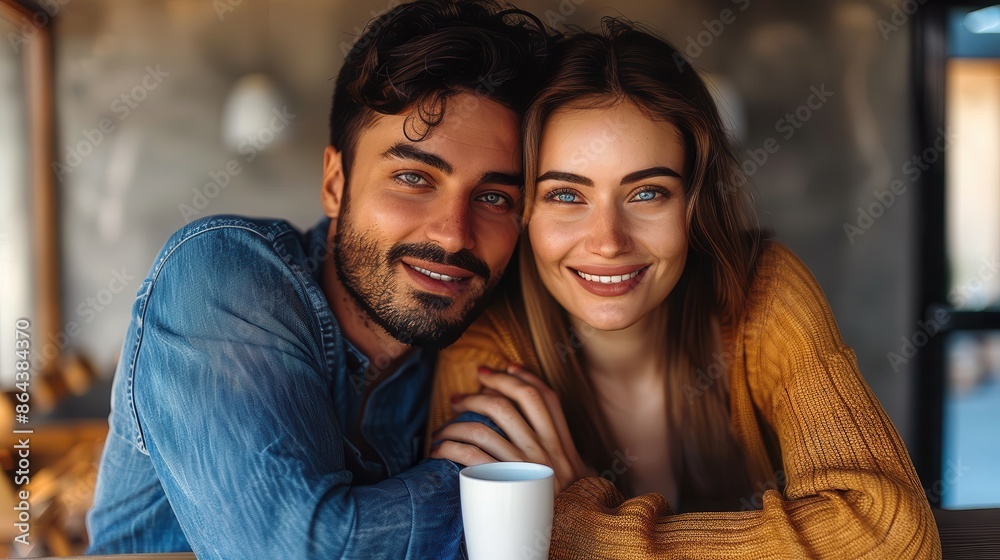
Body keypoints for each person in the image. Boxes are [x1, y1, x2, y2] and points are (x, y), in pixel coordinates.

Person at [429, 19, 942, 558]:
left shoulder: (764, 292)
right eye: (566, 195)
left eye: (648, 193)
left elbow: (891, 536)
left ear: (696, 204)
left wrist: (582, 523)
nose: (608, 242)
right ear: (524, 208)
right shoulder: (488, 340)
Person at [85, 1, 550, 557]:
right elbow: (302, 551)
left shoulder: (470, 341)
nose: (454, 235)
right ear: (335, 183)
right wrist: (484, 485)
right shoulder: (220, 276)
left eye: (495, 197)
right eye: (412, 178)